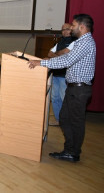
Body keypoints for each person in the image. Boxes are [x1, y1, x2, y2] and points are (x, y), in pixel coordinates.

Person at [28, 14, 96, 162]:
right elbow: (66, 58)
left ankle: (73, 153)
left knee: (75, 122)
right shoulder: (81, 41)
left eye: (73, 25)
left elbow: (68, 60)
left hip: (79, 89)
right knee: (65, 118)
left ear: (82, 27)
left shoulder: (85, 42)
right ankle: (69, 149)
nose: (71, 28)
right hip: (73, 88)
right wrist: (47, 60)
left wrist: (42, 63)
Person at [48, 23, 75, 126]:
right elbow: (49, 53)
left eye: (67, 29)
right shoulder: (60, 42)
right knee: (55, 98)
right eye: (63, 30)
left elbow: (66, 53)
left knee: (64, 98)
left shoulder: (75, 41)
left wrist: (56, 55)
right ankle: (58, 120)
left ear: (71, 29)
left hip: (65, 75)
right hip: (55, 74)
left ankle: (66, 121)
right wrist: (59, 55)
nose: (64, 31)